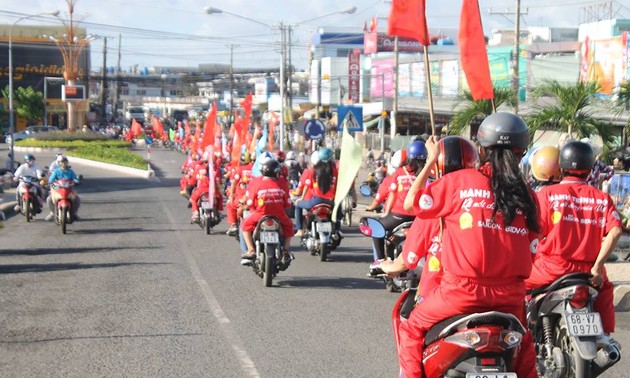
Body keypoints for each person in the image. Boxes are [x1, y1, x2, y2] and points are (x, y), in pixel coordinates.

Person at [393, 113, 539, 377]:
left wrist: (429, 159)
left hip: (460, 294)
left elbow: (411, 202)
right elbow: (534, 245)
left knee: (411, 328)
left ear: (481, 149)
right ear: (523, 152)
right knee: (525, 343)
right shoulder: (528, 195)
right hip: (511, 299)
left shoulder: (458, 183)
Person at [525, 140, 622, 336]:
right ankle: (605, 337)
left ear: (561, 167)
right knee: (605, 289)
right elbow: (616, 231)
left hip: (551, 269)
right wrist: (596, 267)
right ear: (590, 169)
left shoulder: (547, 194)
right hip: (587, 272)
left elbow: (534, 232)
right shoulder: (601, 198)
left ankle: (524, 334)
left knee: (520, 284)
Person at [380, 136, 480, 300]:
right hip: (498, 296)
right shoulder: (492, 203)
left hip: (446, 295)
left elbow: (408, 203)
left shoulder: (434, 212)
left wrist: (387, 266)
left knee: (408, 325)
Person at [370, 140, 426, 264]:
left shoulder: (400, 172)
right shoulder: (428, 174)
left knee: (376, 228)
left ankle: (380, 261)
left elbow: (392, 195)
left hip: (399, 216)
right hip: (420, 217)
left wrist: (386, 213)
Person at [240, 158, 293, 259]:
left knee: (245, 226)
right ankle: (286, 251)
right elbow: (287, 204)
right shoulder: (281, 184)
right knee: (289, 226)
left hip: (260, 215)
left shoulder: (257, 183)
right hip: (279, 215)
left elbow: (250, 203)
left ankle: (251, 250)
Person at [294, 147, 338, 237]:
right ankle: (337, 230)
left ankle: (299, 229)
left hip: (316, 201)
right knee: (337, 213)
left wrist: (301, 198)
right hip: (331, 202)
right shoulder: (335, 171)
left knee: (297, 205)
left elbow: (307, 185)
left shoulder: (312, 170)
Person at [225, 152, 253, 236]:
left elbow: (234, 182)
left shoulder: (240, 169)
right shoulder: (255, 168)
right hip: (253, 197)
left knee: (229, 205)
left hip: (241, 197)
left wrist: (231, 195)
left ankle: (233, 225)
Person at [45, 157, 81, 221]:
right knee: (49, 199)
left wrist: (76, 181)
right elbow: (51, 179)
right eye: (62, 162)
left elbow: (75, 178)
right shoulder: (56, 171)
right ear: (59, 163)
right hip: (57, 188)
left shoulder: (70, 171)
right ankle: (53, 213)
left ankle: (74, 213)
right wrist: (51, 182)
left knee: (77, 198)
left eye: (65, 162)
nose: (64, 164)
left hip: (68, 187)